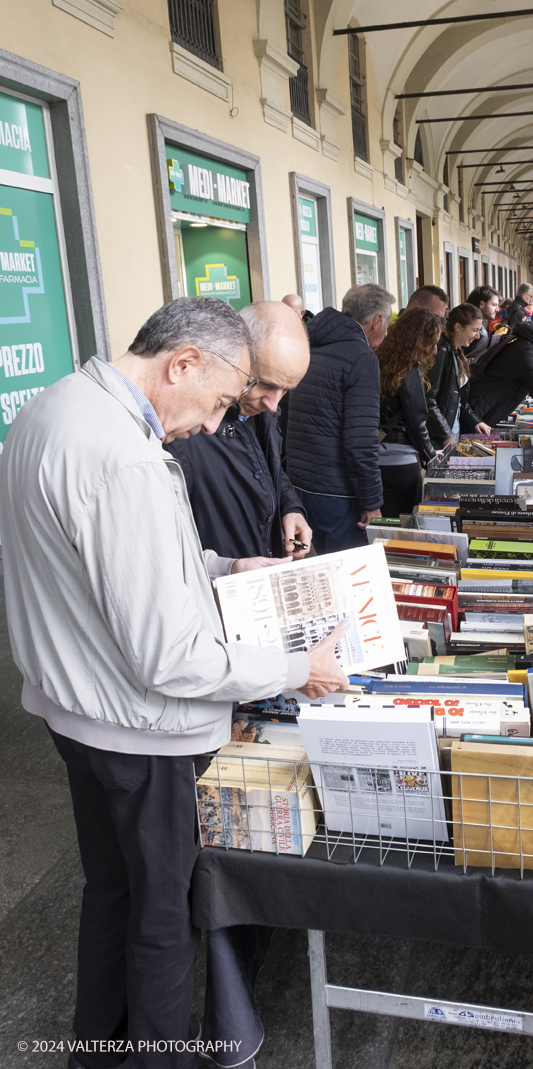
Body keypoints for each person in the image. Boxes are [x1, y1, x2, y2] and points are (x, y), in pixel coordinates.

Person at [0, 297, 349, 1069]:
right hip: (140, 729)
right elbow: (172, 657)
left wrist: (227, 567)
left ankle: (97, 1052)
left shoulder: (53, 408)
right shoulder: (128, 459)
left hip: (74, 711)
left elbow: (103, 565)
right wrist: (300, 668)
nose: (217, 424)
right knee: (162, 914)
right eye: (223, 401)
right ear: (182, 362)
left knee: (112, 894)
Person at [169, 301, 312, 562]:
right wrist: (227, 568)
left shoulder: (262, 409)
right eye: (266, 384)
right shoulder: (184, 426)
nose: (273, 403)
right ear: (236, 356)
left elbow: (270, 470)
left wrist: (291, 509)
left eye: (285, 390)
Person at [286, 283, 395, 553]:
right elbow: (361, 441)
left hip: (300, 485)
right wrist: (372, 503)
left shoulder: (310, 343)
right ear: (377, 320)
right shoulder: (361, 357)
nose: (388, 330)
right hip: (337, 493)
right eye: (388, 322)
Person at [376, 308, 442, 516]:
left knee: (378, 524)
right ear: (417, 341)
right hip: (400, 461)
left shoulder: (379, 360)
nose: (434, 350)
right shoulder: (410, 370)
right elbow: (417, 421)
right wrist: (430, 455)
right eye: (431, 344)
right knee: (396, 527)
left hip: (374, 456)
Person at [427, 303, 493, 447]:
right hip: (441, 435)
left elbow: (458, 399)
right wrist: (445, 433)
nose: (478, 335)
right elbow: (429, 398)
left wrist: (475, 421)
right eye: (474, 330)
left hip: (450, 429)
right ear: (458, 327)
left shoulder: (457, 351)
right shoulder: (442, 352)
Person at [465, 284, 500, 358]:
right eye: (494, 305)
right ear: (482, 304)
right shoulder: (480, 335)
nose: (497, 310)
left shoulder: (464, 321)